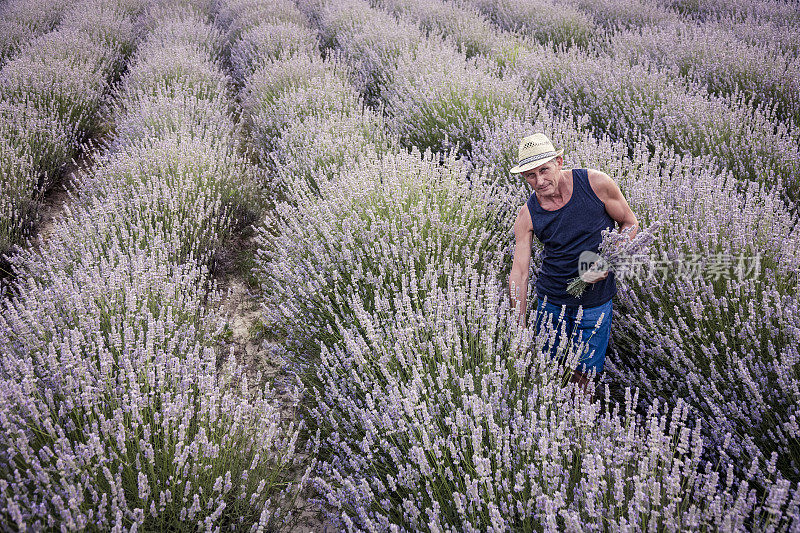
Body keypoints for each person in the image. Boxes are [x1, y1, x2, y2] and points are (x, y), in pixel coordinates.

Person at [508, 133, 638, 388]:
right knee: (553, 371)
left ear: (559, 160)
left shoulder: (596, 184)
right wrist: (519, 325)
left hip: (594, 302)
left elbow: (629, 223)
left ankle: (582, 423)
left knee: (584, 376)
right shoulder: (527, 214)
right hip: (551, 303)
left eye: (544, 170)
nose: (540, 181)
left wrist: (608, 260)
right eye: (530, 176)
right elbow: (520, 273)